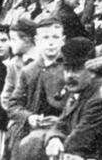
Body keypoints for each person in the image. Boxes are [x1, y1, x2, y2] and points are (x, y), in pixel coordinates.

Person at [43, 37, 102, 160]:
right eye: (66, 69)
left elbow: (79, 141)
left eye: (77, 69)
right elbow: (61, 123)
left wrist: (55, 142)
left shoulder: (101, 98)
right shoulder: (78, 90)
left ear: (93, 69)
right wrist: (54, 138)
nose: (69, 75)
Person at [8, 15, 67, 160]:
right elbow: (13, 105)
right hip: (31, 131)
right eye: (46, 38)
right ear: (37, 41)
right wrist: (29, 117)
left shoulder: (69, 69)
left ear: (63, 40)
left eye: (55, 37)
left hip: (61, 132)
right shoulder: (29, 71)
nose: (51, 43)